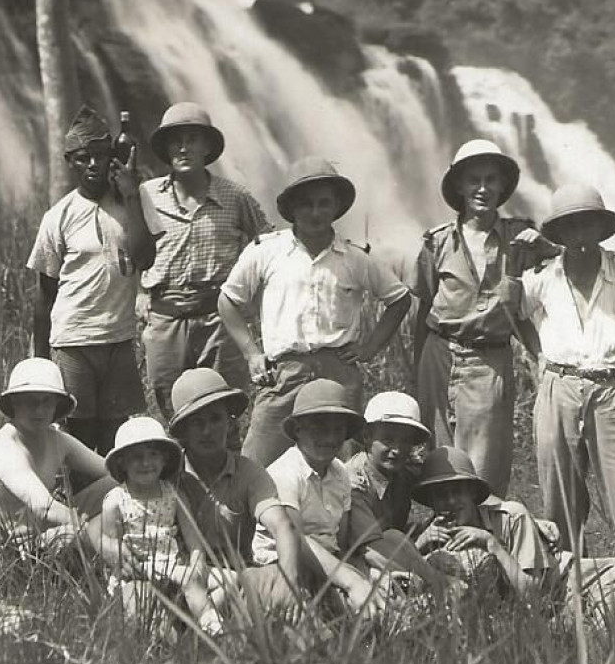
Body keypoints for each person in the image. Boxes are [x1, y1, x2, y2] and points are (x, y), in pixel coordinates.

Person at [510, 183, 615, 607]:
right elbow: (510, 311)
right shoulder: (542, 279)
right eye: (569, 227)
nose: (580, 235)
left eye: (588, 224)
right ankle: (571, 607)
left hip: (614, 392)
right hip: (559, 389)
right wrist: (538, 355)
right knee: (560, 506)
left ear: (602, 228)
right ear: (557, 234)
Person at [218, 156, 411, 468]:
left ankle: (340, 517)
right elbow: (227, 301)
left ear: (336, 207)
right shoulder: (267, 250)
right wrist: (252, 354)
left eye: (324, 203)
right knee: (257, 463)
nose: (316, 212)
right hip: (284, 373)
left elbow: (399, 299)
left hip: (337, 373)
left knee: (342, 466)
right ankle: (252, 516)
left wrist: (369, 348)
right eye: (306, 204)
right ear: (292, 208)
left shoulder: (353, 257)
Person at [411, 139, 557, 496]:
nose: (483, 188)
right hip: (439, 355)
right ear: (459, 186)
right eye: (473, 179)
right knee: (439, 456)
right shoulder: (437, 243)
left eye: (492, 179)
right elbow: (423, 309)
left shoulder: (518, 239)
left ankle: (483, 535)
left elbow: (560, 274)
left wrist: (545, 248)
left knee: (486, 462)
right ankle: (443, 540)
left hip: (489, 359)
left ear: (503, 186)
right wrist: (417, 371)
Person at [28, 105, 155, 452]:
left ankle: (109, 503)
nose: (94, 165)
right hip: (73, 340)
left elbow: (146, 258)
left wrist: (130, 194)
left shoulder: (131, 205)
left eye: (101, 155)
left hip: (117, 339)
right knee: (77, 438)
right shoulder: (59, 216)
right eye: (84, 158)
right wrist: (39, 361)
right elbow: (45, 294)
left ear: (113, 156)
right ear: (71, 163)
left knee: (115, 439)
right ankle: (79, 504)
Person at [412, 447, 615, 627]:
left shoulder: (510, 516)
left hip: (584, 584)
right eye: (441, 495)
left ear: (472, 493)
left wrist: (491, 543)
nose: (450, 502)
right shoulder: (431, 533)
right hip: (545, 614)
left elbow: (534, 594)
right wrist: (416, 547)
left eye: (457, 492)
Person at [138, 103, 273, 417]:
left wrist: (252, 297)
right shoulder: (146, 196)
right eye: (175, 141)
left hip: (219, 318)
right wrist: (139, 291)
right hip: (165, 317)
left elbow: (268, 244)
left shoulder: (235, 196)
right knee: (170, 406)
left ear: (208, 147)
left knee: (224, 405)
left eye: (192, 140)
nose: (183, 148)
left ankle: (229, 464)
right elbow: (129, 246)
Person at [164, 367, 318, 622]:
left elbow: (282, 526)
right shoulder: (168, 475)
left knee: (275, 585)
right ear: (182, 431)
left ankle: (314, 654)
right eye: (197, 423)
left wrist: (287, 580)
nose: (207, 431)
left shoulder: (248, 473)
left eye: (215, 419)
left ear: (230, 422)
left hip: (235, 579)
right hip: (181, 579)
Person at [255, 378, 384, 616]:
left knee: (381, 584)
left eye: (337, 430)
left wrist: (356, 574)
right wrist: (350, 581)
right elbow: (296, 539)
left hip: (328, 564)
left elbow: (339, 538)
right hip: (286, 565)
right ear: (297, 430)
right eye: (319, 428)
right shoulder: (285, 472)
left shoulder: (340, 473)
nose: (329, 438)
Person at [89, 416, 226, 635]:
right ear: (122, 462)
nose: (146, 463)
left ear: (164, 459)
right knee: (181, 585)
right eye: (137, 457)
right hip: (139, 572)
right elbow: (111, 546)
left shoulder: (173, 494)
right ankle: (209, 626)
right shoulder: (116, 500)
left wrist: (197, 561)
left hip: (173, 565)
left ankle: (196, 621)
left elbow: (193, 538)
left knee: (233, 581)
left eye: (153, 455)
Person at [0, 357, 115, 556]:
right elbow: (45, 508)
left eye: (47, 401)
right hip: (10, 549)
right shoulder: (3, 447)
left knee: (122, 484)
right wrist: (96, 531)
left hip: (43, 529)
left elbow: (112, 470)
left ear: (57, 405)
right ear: (14, 403)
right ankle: (113, 546)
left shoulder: (56, 440)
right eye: (30, 401)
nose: (40, 410)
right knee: (72, 538)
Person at [339, 391, 451, 597]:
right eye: (388, 440)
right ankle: (443, 589)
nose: (397, 450)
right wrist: (420, 545)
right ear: (367, 437)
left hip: (393, 555)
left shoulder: (402, 472)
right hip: (351, 563)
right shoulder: (354, 483)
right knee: (393, 540)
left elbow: (448, 485)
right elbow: (371, 550)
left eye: (406, 442)